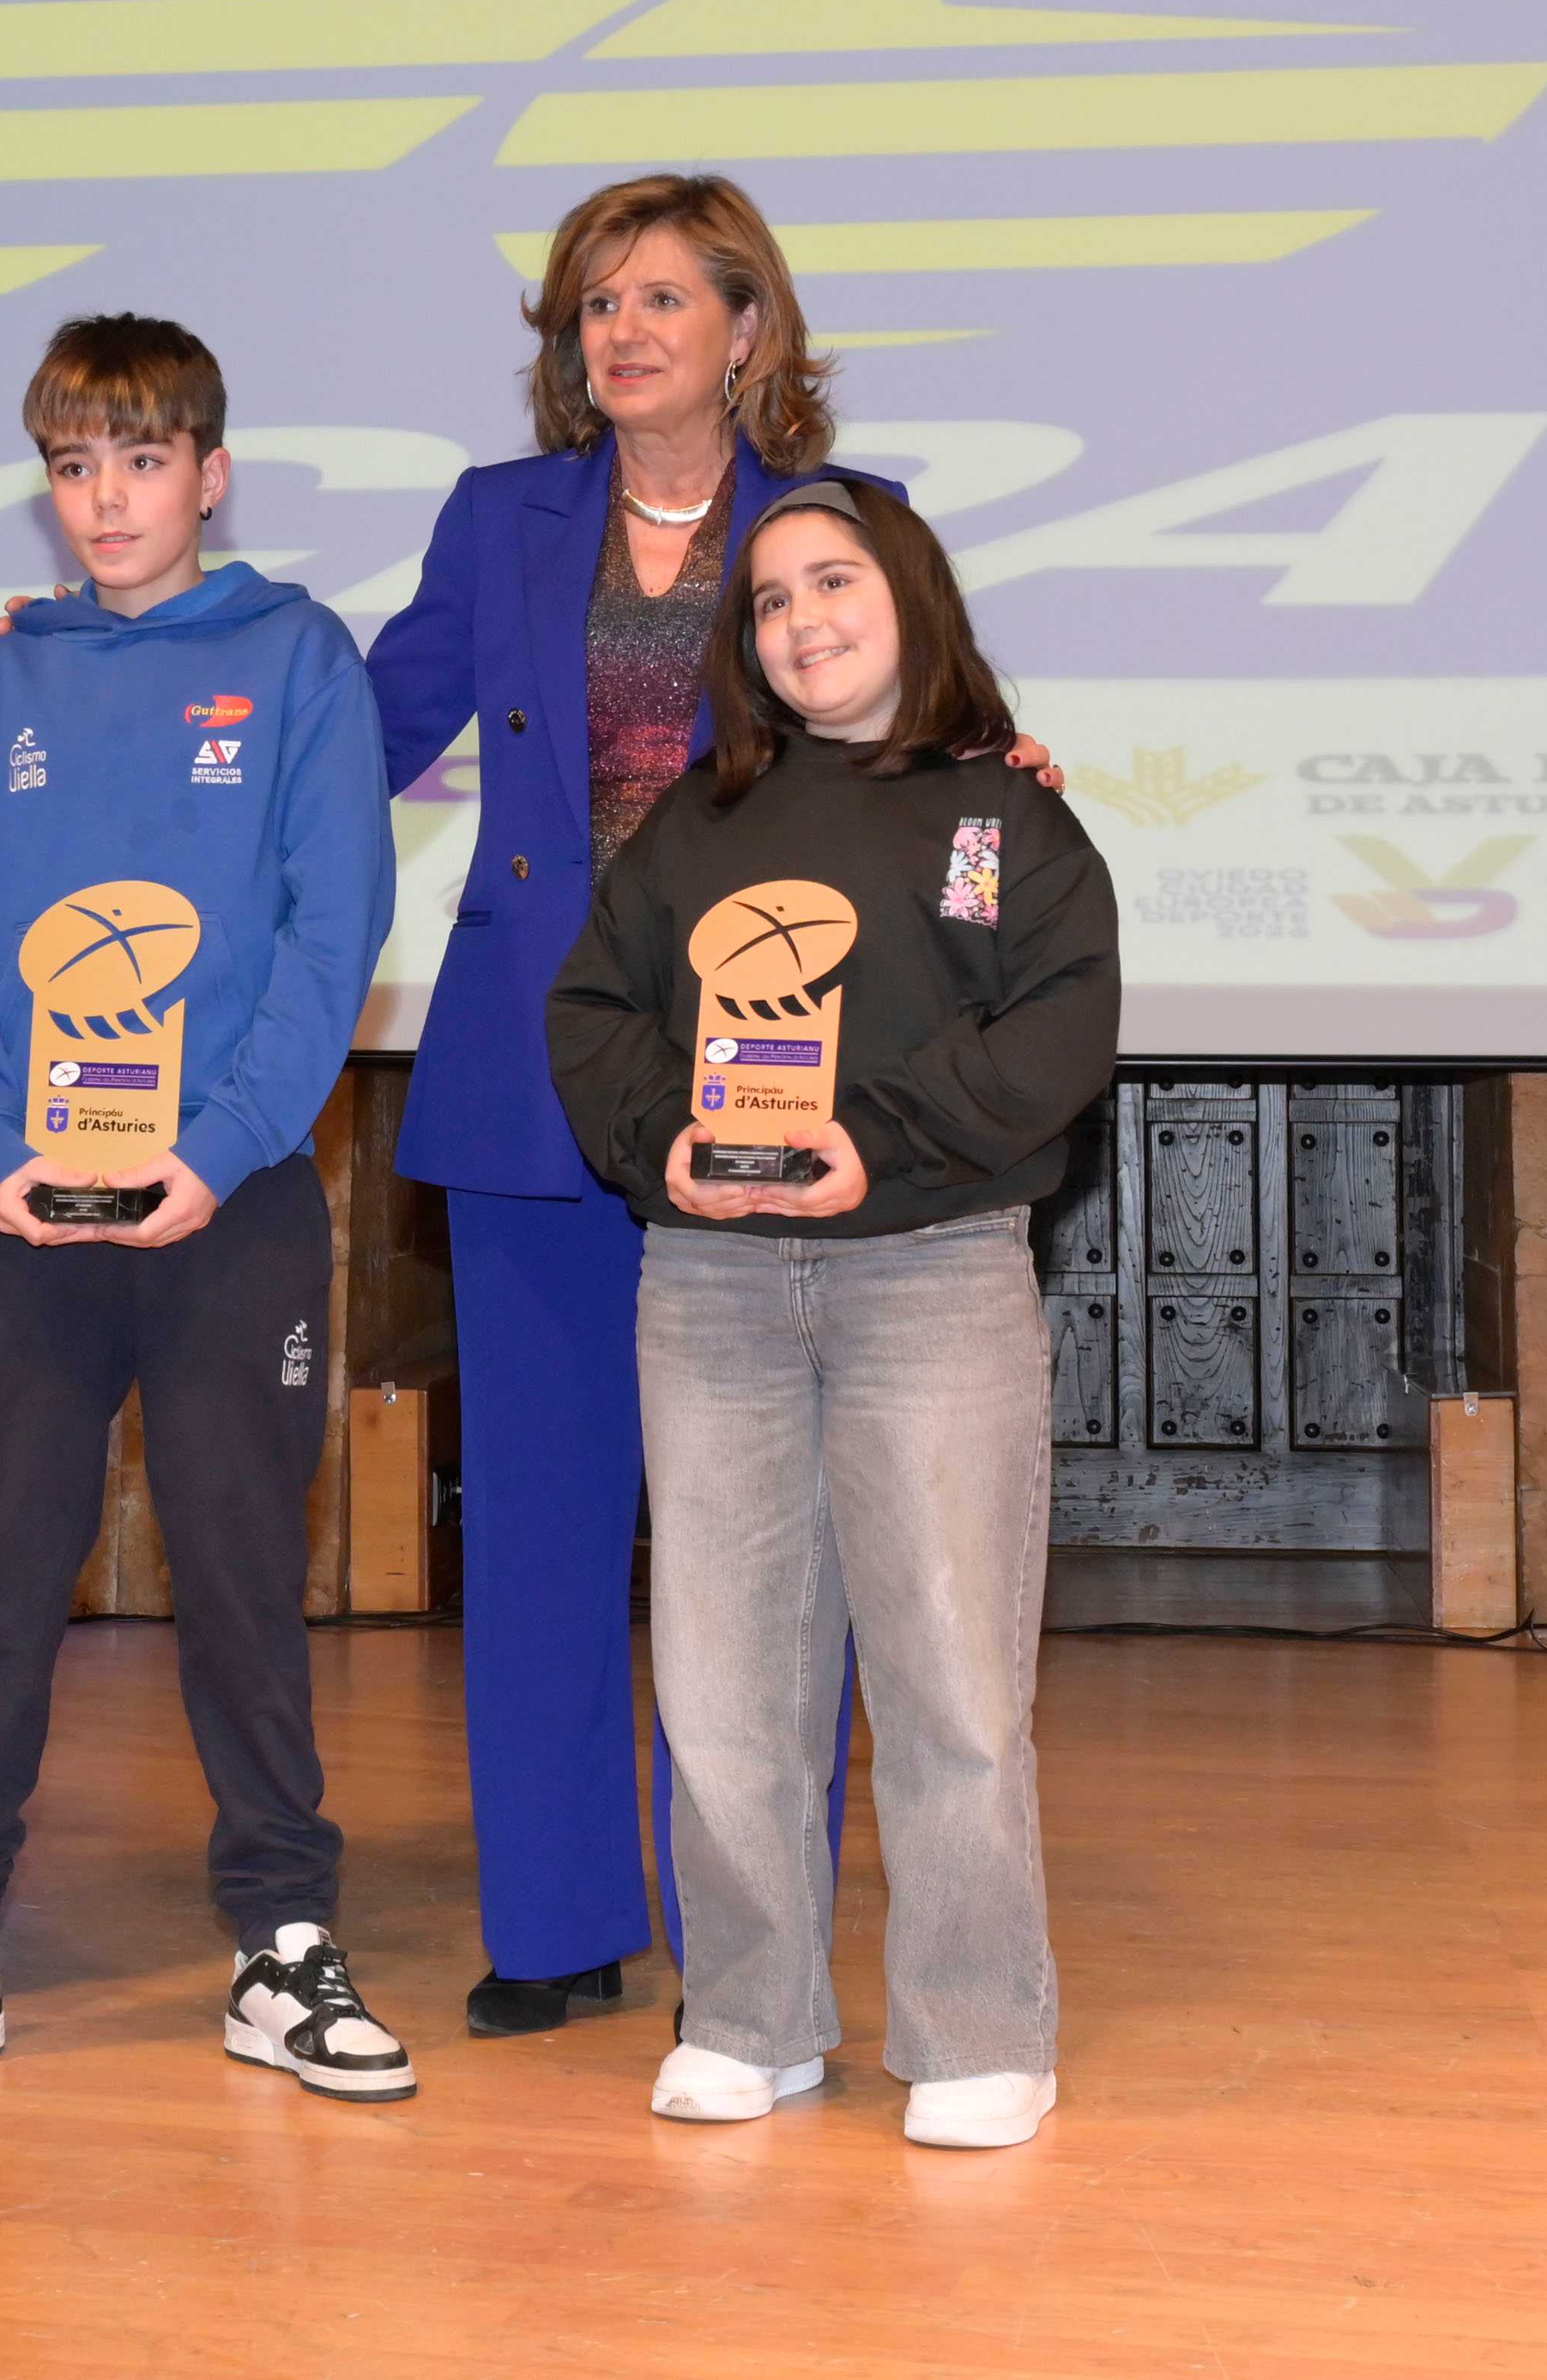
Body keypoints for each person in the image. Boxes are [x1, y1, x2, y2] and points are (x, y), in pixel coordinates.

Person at [0, 314, 406, 2100]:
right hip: (25, 1215)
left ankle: (282, 1939)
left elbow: (334, 926)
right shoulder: (1, 683)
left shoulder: (298, 659)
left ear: (211, 473)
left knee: (242, 1578)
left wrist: (215, 1147)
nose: (109, 497)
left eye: (144, 460)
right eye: (75, 465)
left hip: (233, 1209)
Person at [360, 171, 906, 2037]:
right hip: (533, 1082)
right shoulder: (499, 518)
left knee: (766, 1549)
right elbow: (360, 728)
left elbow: (918, 740)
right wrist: (133, 673)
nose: (623, 330)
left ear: (749, 328)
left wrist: (994, 771)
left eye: (663, 296)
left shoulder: (842, 525)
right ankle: (560, 1917)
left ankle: (750, 1944)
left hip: (769, 1077)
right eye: (597, 301)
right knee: (537, 1528)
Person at [547, 480, 1115, 2153]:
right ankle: (750, 2014)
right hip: (711, 1279)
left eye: (834, 580)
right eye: (771, 599)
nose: (802, 620)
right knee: (722, 1681)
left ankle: (977, 2029)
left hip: (931, 1273)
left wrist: (884, 1137)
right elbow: (593, 1008)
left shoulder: (1004, 817)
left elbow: (1060, 1020)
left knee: (950, 1674)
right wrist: (667, 1140)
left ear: (911, 593)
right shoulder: (697, 820)